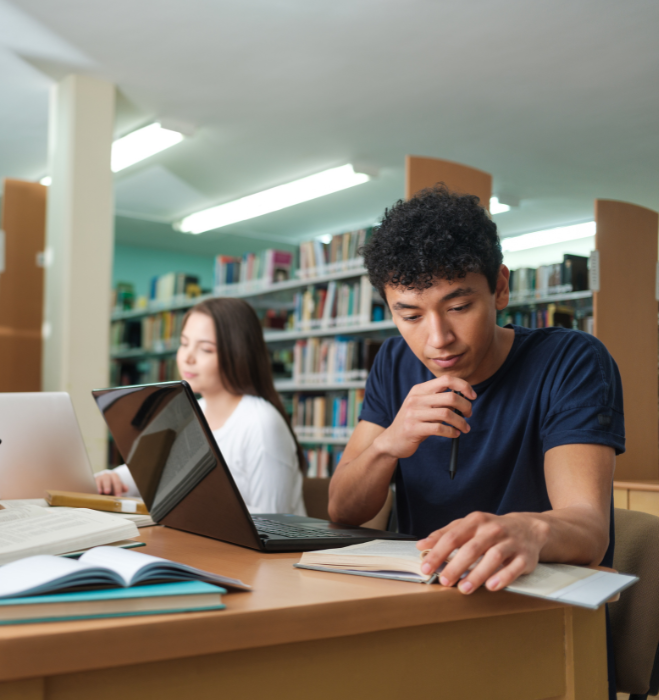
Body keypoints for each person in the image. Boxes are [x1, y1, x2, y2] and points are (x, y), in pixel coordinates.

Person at [328, 186, 622, 592]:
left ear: (499, 287)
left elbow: (589, 529)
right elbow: (342, 511)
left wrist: (529, 530)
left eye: (458, 308)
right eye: (410, 316)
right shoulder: (394, 362)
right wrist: (387, 445)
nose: (438, 339)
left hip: (538, 609)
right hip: (420, 601)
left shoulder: (571, 360)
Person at [96, 297, 306, 515]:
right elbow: (142, 472)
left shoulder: (261, 423)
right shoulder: (182, 411)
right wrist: (111, 478)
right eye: (184, 343)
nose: (187, 358)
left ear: (238, 354)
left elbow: (274, 521)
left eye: (205, 349)